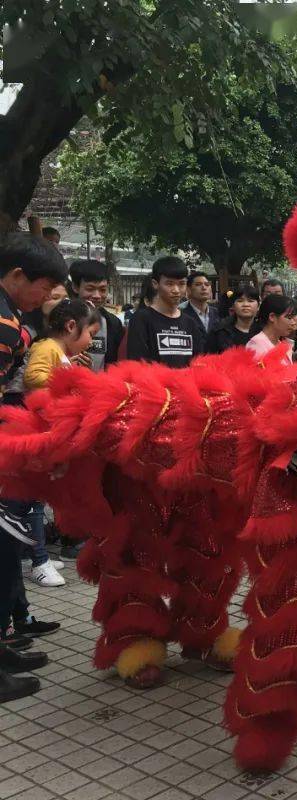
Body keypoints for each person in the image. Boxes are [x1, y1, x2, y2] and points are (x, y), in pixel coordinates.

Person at [0, 232, 68, 703]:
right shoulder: (4, 326)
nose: (47, 298)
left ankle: (4, 649)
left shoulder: (13, 318)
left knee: (5, 563)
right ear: (19, 276)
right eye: (44, 287)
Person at [21, 299, 101, 588]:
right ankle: (39, 561)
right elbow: (33, 377)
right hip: (34, 432)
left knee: (36, 500)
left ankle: (36, 554)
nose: (91, 341)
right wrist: (68, 382)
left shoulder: (60, 351)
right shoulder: (47, 348)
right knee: (31, 502)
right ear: (71, 326)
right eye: (90, 333)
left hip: (46, 432)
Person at [125, 257, 203, 367]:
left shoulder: (191, 323)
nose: (176, 290)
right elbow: (138, 364)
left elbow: (198, 363)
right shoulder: (141, 319)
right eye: (169, 284)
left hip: (185, 383)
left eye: (181, 284)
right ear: (155, 284)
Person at [69, 259, 124, 369]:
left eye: (103, 290)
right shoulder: (61, 318)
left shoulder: (113, 323)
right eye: (90, 289)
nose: (97, 295)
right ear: (75, 287)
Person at [246, 294, 297, 364]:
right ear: (272, 317)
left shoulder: (280, 343)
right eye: (289, 317)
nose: (293, 323)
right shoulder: (256, 345)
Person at [205, 285, 260, 353]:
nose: (246, 304)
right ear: (233, 306)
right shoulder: (219, 331)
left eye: (250, 301)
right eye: (240, 301)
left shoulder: (264, 331)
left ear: (258, 306)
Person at [180, 271, 220, 341]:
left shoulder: (218, 314)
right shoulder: (181, 315)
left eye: (207, 284)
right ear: (188, 290)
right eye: (198, 284)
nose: (204, 288)